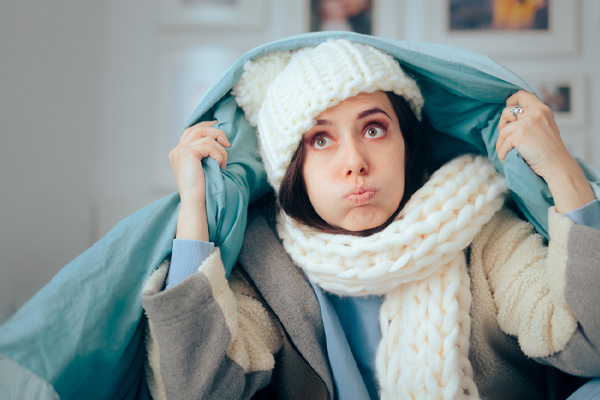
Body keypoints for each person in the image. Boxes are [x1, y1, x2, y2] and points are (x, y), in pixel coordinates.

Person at [141, 39, 600, 399]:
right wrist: (195, 206)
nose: (355, 161)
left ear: (406, 144)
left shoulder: (482, 228)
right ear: (291, 170)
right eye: (320, 140)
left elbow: (588, 345)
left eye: (373, 128)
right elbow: (200, 391)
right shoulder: (265, 262)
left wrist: (560, 168)